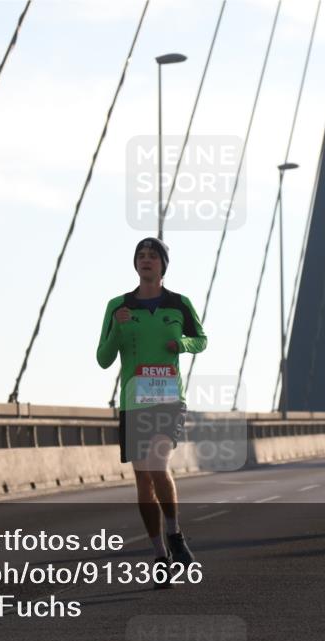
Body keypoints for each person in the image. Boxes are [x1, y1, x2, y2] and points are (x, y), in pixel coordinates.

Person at [97, 237, 206, 587]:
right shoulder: (119, 305)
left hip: (169, 398)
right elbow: (103, 358)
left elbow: (201, 339)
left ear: (162, 265)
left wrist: (183, 344)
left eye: (152, 256)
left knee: (158, 465)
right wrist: (118, 326)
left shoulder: (179, 304)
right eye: (141, 256)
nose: (146, 260)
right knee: (143, 480)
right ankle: (160, 554)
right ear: (136, 264)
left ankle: (175, 534)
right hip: (134, 400)